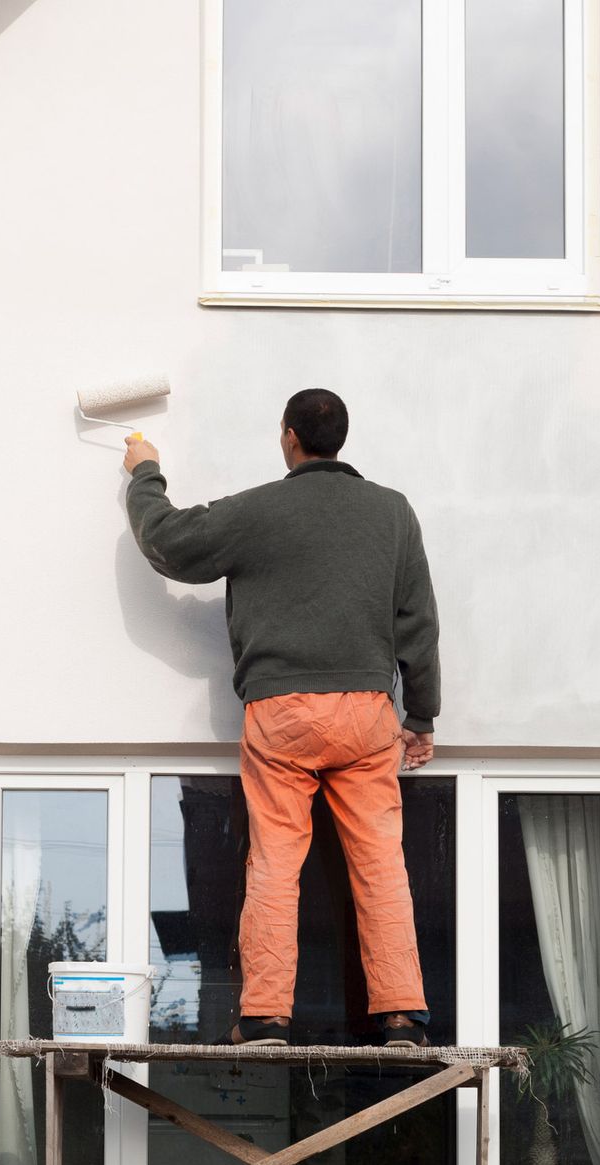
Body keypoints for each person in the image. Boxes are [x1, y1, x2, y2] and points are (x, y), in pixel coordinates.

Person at [122, 388, 440, 1048]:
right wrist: (424, 713)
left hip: (282, 711)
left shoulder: (260, 510)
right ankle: (402, 1012)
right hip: (366, 710)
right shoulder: (392, 512)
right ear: (340, 441)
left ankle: (266, 1013)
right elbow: (418, 619)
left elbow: (169, 542)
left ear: (290, 438)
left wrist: (144, 469)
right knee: (381, 864)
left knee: (274, 861)